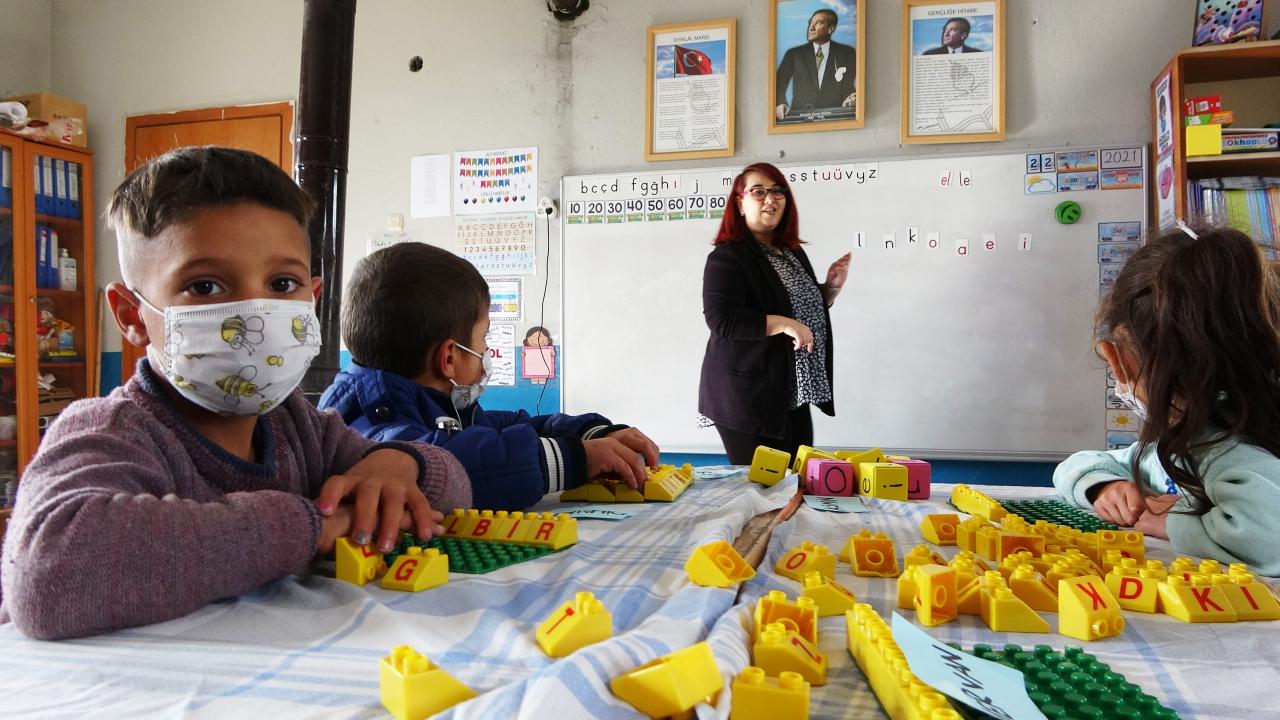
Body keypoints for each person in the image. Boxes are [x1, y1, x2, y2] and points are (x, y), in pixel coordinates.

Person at [0, 147, 472, 640]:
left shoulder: (298, 426)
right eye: (205, 286)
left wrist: (399, 466)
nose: (254, 310)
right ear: (131, 315)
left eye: (281, 282)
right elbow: (47, 572)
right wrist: (315, 526)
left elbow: (454, 487)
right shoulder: (111, 432)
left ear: (311, 299)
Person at [319, 242, 660, 510]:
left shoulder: (443, 405)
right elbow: (457, 464)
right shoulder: (371, 418)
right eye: (483, 341)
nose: (486, 356)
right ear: (449, 358)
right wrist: (576, 458)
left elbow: (511, 427)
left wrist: (592, 434)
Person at [1054, 226, 1280, 576]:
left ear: (1117, 360)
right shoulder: (1179, 443)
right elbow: (1077, 465)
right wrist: (1104, 486)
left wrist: (1176, 520)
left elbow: (1271, 535)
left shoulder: (1228, 451)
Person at [699, 162, 851, 464]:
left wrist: (829, 290)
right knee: (762, 491)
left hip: (791, 389)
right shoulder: (727, 257)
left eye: (777, 191)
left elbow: (794, 308)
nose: (770, 199)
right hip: (748, 395)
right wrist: (784, 324)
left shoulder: (791, 252)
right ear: (740, 203)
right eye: (758, 192)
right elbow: (722, 320)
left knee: (798, 482)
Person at [774, 8, 856, 120]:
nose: (811, 28)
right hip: (799, 119)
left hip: (836, 118)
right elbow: (778, 82)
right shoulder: (794, 54)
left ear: (830, 29)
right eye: (810, 23)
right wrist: (780, 103)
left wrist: (850, 98)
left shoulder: (847, 53)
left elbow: (848, 85)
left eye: (818, 23)